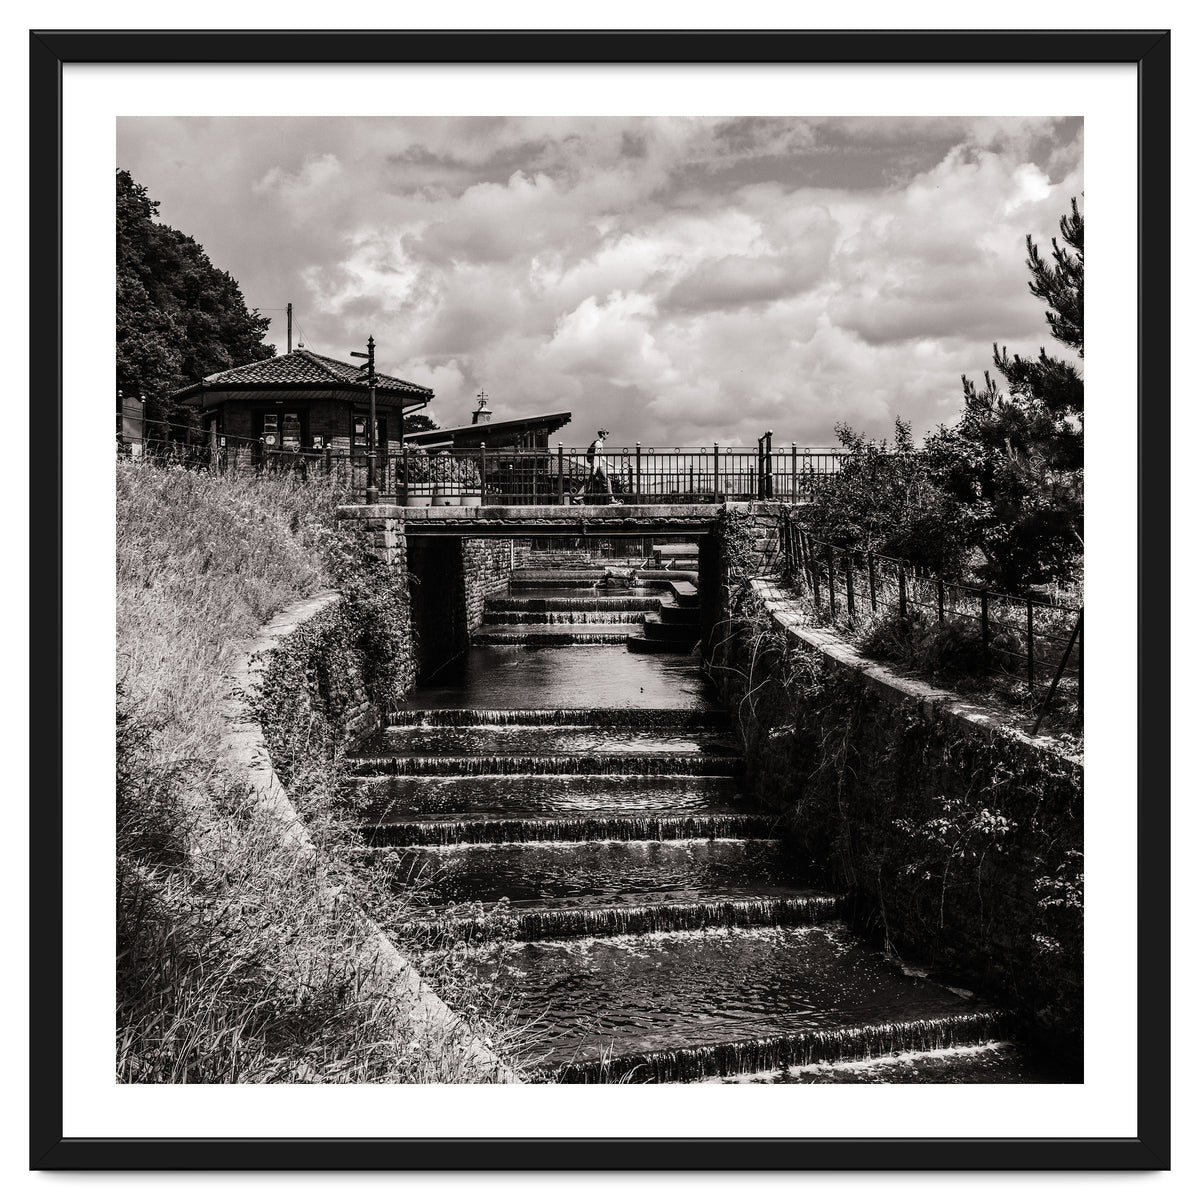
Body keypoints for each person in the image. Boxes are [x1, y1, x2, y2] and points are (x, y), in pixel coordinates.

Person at [571, 428, 619, 504]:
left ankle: (577, 498)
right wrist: (595, 468)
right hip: (598, 467)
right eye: (607, 433)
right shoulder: (598, 443)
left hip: (596, 466)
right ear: (603, 434)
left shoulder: (599, 443)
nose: (608, 435)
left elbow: (600, 455)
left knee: (589, 483)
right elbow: (596, 456)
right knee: (606, 481)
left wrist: (608, 463)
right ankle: (611, 499)